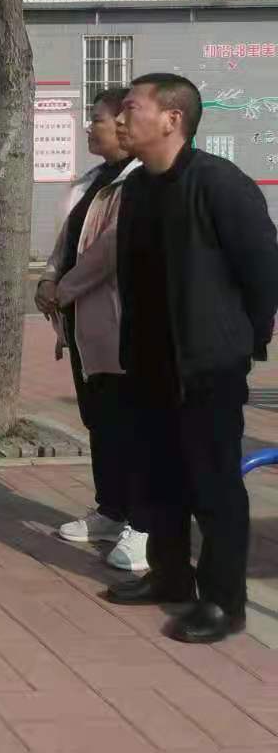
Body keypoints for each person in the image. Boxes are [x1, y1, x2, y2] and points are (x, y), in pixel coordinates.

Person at [104, 74, 278, 644]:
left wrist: (241, 341)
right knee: (159, 476)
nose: (120, 118)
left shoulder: (219, 183)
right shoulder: (137, 187)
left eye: (132, 108)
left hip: (207, 366)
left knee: (214, 484)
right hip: (150, 360)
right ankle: (170, 575)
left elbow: (263, 271)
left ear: (172, 118)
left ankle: (224, 602)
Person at [35, 89, 146, 574]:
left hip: (119, 324)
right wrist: (48, 277)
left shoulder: (138, 182)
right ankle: (110, 510)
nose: (89, 127)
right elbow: (68, 242)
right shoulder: (92, 181)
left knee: (130, 424)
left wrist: (64, 288)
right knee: (100, 420)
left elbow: (109, 251)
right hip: (84, 326)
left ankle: (142, 522)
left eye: (96, 119)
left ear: (123, 123)